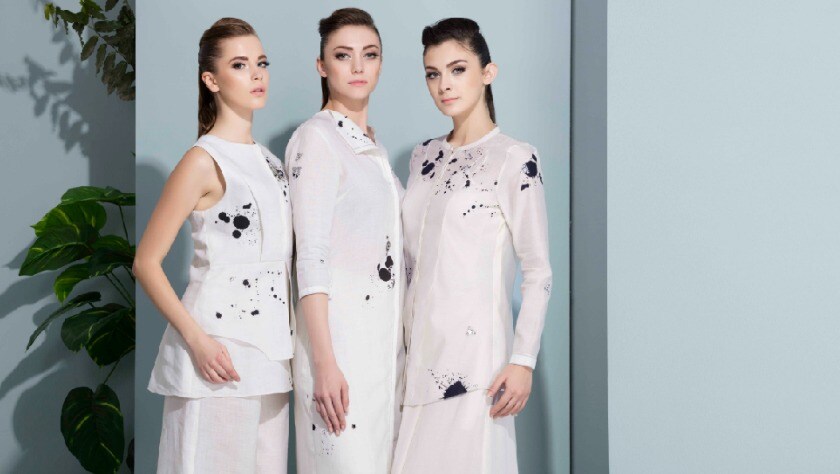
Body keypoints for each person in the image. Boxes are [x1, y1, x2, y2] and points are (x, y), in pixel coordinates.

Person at [392, 18, 552, 473]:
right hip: (415, 360)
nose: (444, 84)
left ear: (487, 72)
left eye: (458, 69)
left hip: (476, 366)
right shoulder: (423, 157)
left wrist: (522, 360)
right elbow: (408, 261)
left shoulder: (514, 158)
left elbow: (538, 270)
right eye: (433, 73)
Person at [135, 18, 293, 473]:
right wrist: (198, 342)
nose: (256, 74)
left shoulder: (272, 164)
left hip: (273, 355)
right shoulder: (202, 161)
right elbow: (146, 262)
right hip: (217, 353)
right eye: (240, 65)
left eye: (261, 63)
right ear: (212, 80)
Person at [285, 8, 405, 473]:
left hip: (384, 358)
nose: (357, 66)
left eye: (369, 55)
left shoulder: (373, 150)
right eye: (342, 55)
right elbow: (310, 256)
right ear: (322, 66)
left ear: (381, 64)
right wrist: (325, 363)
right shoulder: (316, 139)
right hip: (339, 357)